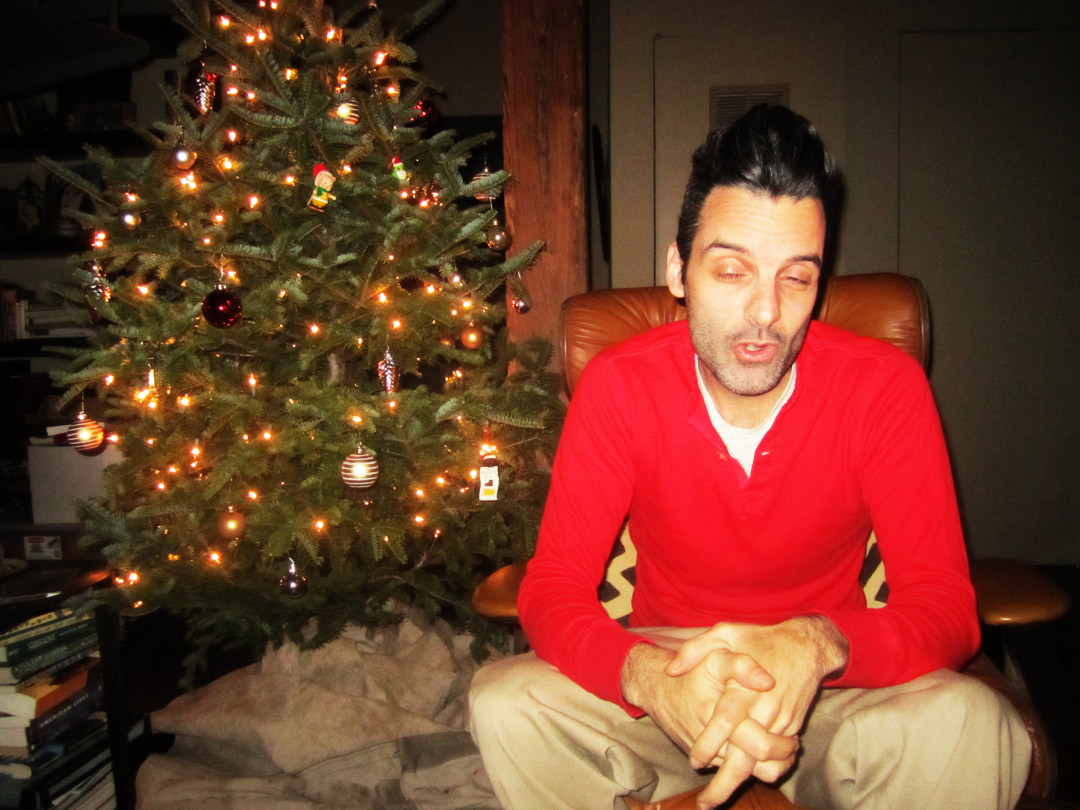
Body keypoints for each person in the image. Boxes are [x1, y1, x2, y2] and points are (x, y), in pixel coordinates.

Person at [468, 105, 1030, 810]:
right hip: (673, 677)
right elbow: (552, 590)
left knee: (970, 721)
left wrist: (817, 645)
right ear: (679, 271)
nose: (765, 313)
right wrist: (647, 677)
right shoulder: (618, 386)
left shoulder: (886, 388)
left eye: (796, 278)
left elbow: (946, 608)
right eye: (733, 271)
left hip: (827, 690)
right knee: (506, 702)